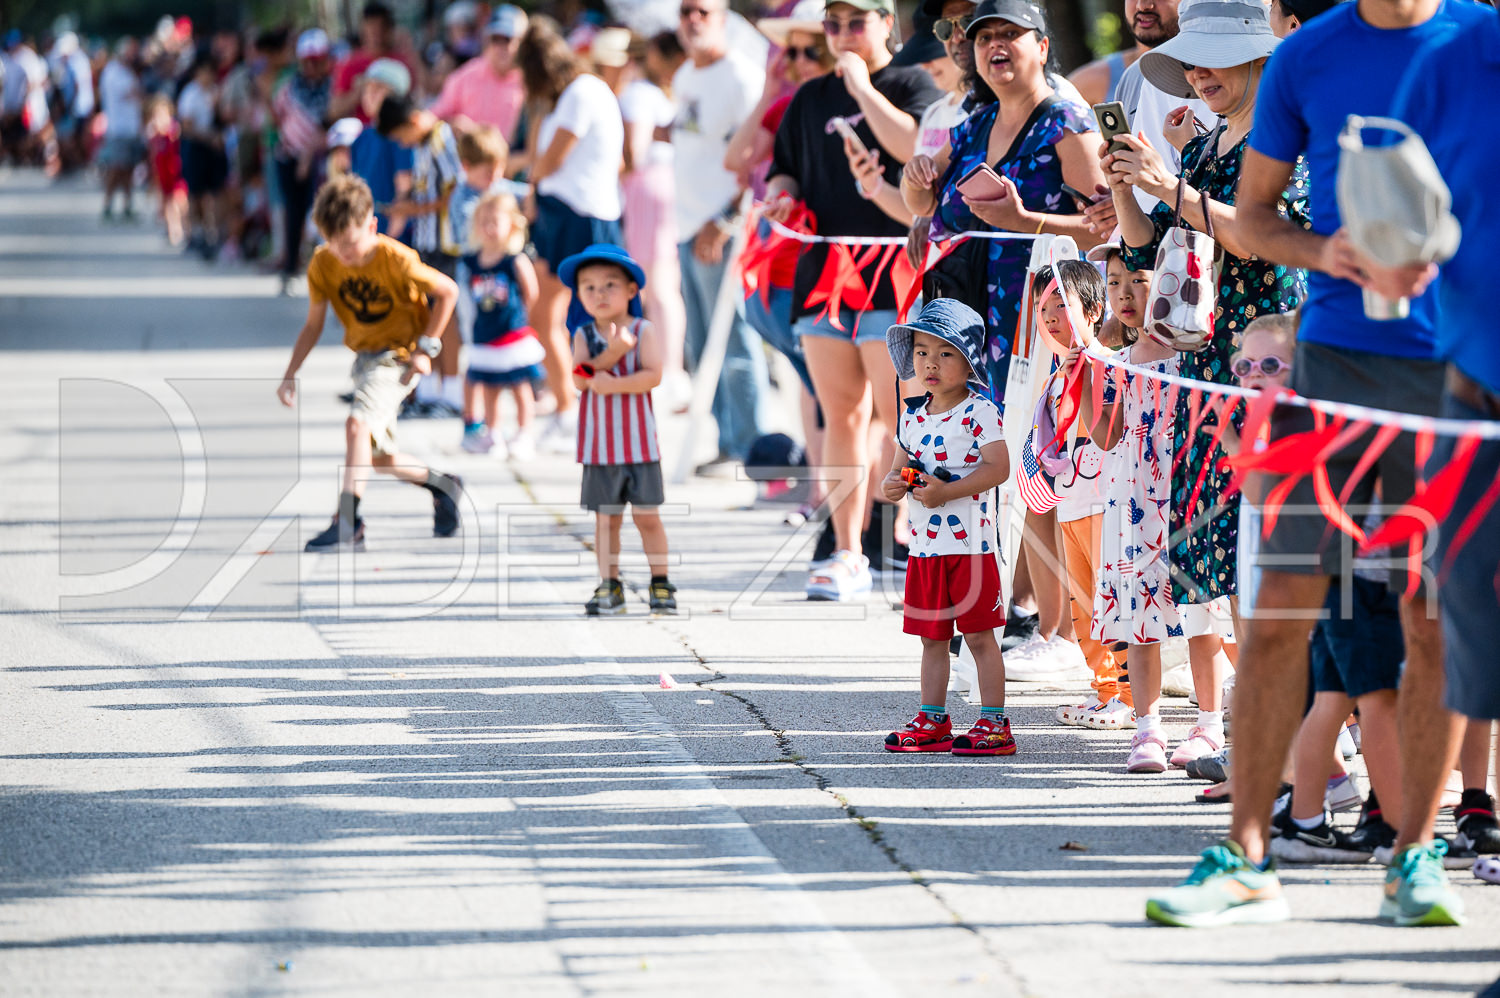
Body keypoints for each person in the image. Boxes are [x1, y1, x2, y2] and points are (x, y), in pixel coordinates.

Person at [1145, 0, 1493, 929]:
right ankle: (1248, 855)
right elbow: (1254, 221)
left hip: (1456, 380)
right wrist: (1326, 252)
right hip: (1330, 371)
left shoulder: (1485, 40)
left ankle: (1415, 857)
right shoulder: (1309, 56)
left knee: (1430, 625)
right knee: (1275, 618)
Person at [766, 0, 941, 600]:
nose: (841, 35)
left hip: (894, 268)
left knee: (902, 416)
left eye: (856, 22)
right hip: (825, 268)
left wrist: (863, 88)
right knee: (837, 413)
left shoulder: (913, 83)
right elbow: (784, 168)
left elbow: (914, 150)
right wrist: (780, 196)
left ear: (886, 23)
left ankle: (921, 542)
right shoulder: (809, 97)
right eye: (833, 24)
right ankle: (848, 550)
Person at [1390, 0, 1500, 882]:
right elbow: (1400, 225)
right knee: (1456, 625)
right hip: (1468, 395)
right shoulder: (1450, 62)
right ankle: (1419, 850)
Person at [274, 174, 464, 550]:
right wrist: (290, 374)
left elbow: (448, 291)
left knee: (357, 425)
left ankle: (348, 521)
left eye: (351, 243)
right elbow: (313, 325)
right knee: (378, 458)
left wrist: (427, 349)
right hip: (365, 358)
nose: (344, 254)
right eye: (334, 244)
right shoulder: (323, 264)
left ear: (372, 225)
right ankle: (443, 485)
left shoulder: (397, 260)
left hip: (399, 356)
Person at [880, 298, 1014, 755]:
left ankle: (994, 722)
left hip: (971, 547)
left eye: (945, 352)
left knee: (979, 636)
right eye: (921, 352)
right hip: (924, 549)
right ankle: (933, 717)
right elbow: (897, 470)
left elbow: (998, 468)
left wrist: (945, 492)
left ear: (969, 360)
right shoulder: (912, 415)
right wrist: (893, 485)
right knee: (931, 638)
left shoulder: (981, 412)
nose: (929, 363)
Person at [673, 0, 772, 474]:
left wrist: (727, 221)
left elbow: (754, 161)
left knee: (731, 340)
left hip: (719, 227)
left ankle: (747, 447)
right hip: (686, 225)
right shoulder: (686, 75)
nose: (693, 19)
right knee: (699, 345)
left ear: (723, 19)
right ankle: (725, 439)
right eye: (685, 11)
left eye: (703, 11)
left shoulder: (740, 76)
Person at [517, 19, 625, 451]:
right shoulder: (576, 93)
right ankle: (567, 410)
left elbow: (551, 160)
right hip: (563, 216)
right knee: (547, 318)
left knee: (594, 324)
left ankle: (593, 412)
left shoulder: (581, 92)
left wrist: (532, 174)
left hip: (582, 219)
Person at [561, 243, 677, 616]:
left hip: (640, 446)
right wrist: (610, 356)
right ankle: (609, 583)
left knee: (647, 516)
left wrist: (612, 383)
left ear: (631, 290)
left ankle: (660, 581)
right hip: (599, 448)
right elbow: (579, 379)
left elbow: (653, 375)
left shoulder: (644, 330)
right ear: (579, 294)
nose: (599, 294)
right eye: (589, 287)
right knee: (606, 520)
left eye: (609, 285)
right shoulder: (584, 335)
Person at [378, 92, 466, 416]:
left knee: (447, 317)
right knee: (429, 315)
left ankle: (454, 391)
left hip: (448, 242)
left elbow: (455, 192)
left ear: (414, 121)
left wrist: (414, 208)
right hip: (429, 240)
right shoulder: (424, 145)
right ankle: (432, 390)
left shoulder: (444, 141)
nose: (402, 143)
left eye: (402, 135)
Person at [620, 32, 688, 401]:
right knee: (664, 284)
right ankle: (672, 369)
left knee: (656, 286)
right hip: (668, 185)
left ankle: (668, 371)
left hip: (646, 187)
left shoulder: (639, 95)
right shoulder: (667, 94)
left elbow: (635, 151)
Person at [461, 191, 543, 458]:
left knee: (520, 385)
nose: (489, 227)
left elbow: (531, 292)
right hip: (485, 334)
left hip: (512, 334)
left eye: (495, 221)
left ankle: (524, 433)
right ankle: (493, 432)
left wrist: (520, 317)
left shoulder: (513, 260)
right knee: (490, 387)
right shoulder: (472, 262)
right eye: (483, 221)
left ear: (511, 224)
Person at [271, 28, 334, 293]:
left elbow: (329, 124)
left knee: (320, 214)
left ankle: (323, 270)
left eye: (316, 61)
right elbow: (277, 115)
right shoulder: (290, 86)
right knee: (293, 212)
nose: (311, 67)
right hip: (289, 157)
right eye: (307, 61)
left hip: (321, 159)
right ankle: (291, 267)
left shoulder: (332, 87)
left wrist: (309, 154)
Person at [431, 6, 528, 142]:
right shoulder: (465, 75)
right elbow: (436, 115)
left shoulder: (529, 81)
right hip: (467, 160)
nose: (501, 47)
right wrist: (452, 124)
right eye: (495, 39)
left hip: (513, 160)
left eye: (507, 39)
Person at [347, 57, 414, 237]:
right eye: (367, 89)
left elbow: (404, 193)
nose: (369, 95)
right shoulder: (361, 138)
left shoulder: (400, 137)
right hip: (366, 236)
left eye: (378, 89)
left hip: (393, 241)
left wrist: (387, 244)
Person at [330, 2, 414, 121]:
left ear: (390, 28)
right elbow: (333, 111)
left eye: (382, 26)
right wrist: (361, 91)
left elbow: (415, 98)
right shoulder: (349, 63)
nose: (376, 32)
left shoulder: (402, 62)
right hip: (363, 133)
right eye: (371, 26)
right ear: (363, 27)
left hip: (395, 132)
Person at [178, 56, 227, 259]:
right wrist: (208, 138)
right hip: (197, 147)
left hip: (213, 148)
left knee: (214, 192)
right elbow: (187, 127)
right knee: (195, 192)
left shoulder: (216, 92)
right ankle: (196, 233)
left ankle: (213, 234)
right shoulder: (190, 94)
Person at [97, 38, 146, 223]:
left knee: (128, 170)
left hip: (131, 128)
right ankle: (107, 204)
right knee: (116, 168)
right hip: (119, 129)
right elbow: (133, 94)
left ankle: (127, 204)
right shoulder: (113, 73)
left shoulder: (126, 72)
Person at [144, 94, 188, 246]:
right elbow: (152, 156)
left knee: (179, 202)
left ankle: (184, 228)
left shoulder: (174, 129)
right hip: (161, 173)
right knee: (166, 202)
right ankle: (172, 229)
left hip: (176, 171)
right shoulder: (152, 132)